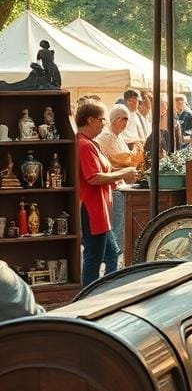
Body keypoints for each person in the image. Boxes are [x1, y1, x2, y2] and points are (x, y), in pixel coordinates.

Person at [76, 101, 140, 287]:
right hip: (92, 208)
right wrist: (124, 173)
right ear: (91, 120)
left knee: (111, 254)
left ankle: (106, 292)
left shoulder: (90, 143)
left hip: (99, 209)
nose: (104, 124)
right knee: (94, 256)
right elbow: (93, 177)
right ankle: (89, 297)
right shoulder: (84, 145)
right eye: (102, 120)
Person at [95, 104, 141, 272]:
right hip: (114, 187)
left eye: (128, 119)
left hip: (121, 186)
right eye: (124, 119)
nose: (126, 123)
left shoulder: (117, 137)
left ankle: (114, 261)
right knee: (116, 227)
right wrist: (128, 163)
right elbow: (114, 162)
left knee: (120, 227)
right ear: (115, 119)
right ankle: (112, 262)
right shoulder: (106, 137)